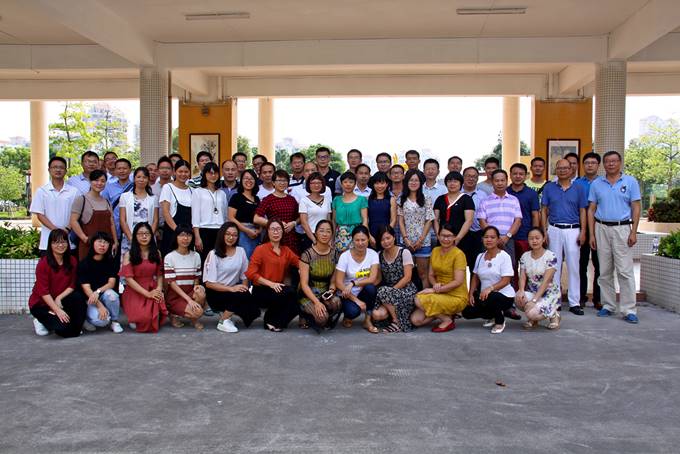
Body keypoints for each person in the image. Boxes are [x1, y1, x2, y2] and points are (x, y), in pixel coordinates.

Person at [588, 150, 641, 324]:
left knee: (625, 271)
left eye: (614, 161)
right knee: (604, 271)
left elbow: (636, 207)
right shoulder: (597, 183)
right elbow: (591, 209)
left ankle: (628, 309)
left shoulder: (630, 181)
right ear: (603, 164)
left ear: (620, 162)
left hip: (622, 228)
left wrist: (634, 231)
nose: (611, 164)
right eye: (608, 161)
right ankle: (608, 305)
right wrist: (592, 234)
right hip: (601, 227)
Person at [541, 158, 588, 316]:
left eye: (565, 168)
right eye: (559, 168)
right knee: (554, 267)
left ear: (571, 170)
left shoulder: (579, 187)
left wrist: (583, 231)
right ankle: (555, 300)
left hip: (573, 230)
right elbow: (544, 210)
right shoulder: (549, 187)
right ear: (556, 170)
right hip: (554, 229)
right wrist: (544, 231)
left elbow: (583, 210)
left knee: (574, 266)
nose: (562, 171)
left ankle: (574, 302)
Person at [29, 229, 87, 338]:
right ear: (50, 244)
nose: (60, 245)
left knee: (78, 298)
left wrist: (59, 298)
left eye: (63, 242)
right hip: (42, 304)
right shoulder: (43, 263)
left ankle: (65, 321)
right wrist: (57, 310)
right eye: (56, 242)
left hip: (60, 300)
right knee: (64, 330)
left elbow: (72, 285)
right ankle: (40, 320)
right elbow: (43, 292)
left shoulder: (72, 260)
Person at [410, 224, 469, 332]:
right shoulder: (435, 251)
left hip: (456, 296)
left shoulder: (459, 254)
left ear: (455, 237)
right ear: (438, 236)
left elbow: (458, 281)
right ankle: (446, 314)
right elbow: (431, 275)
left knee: (418, 299)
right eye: (443, 235)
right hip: (439, 292)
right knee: (416, 320)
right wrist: (435, 285)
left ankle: (447, 320)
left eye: (449, 236)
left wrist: (435, 290)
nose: (445, 239)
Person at [203, 222, 260, 333]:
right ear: (222, 235)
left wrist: (244, 292)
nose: (231, 237)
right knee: (241, 297)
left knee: (254, 312)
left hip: (233, 291)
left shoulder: (241, 251)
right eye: (228, 234)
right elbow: (209, 284)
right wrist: (232, 289)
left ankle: (227, 314)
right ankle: (223, 321)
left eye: (234, 235)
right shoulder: (213, 254)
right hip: (216, 292)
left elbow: (244, 275)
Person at [245, 220, 300, 332]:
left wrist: (302, 269)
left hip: (277, 289)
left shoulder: (286, 250)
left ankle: (273, 321)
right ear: (268, 232)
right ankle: (272, 320)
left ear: (282, 232)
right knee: (287, 293)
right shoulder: (260, 249)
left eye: (278, 229)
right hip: (261, 289)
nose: (276, 232)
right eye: (273, 229)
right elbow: (250, 273)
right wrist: (271, 284)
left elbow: (300, 262)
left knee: (297, 299)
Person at [462, 226, 517, 334]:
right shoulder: (480, 256)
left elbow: (506, 280)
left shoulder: (504, 256)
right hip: (485, 296)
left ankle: (500, 321)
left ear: (498, 239)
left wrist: (490, 288)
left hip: (504, 296)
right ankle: (493, 315)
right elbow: (475, 277)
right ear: (482, 239)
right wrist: (471, 294)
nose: (489, 240)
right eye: (486, 237)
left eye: (492, 237)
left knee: (492, 297)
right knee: (467, 312)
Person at [120, 222, 167, 333]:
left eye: (147, 233)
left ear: (151, 235)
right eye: (140, 234)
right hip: (134, 290)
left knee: (152, 318)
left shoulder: (157, 253)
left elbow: (160, 274)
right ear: (135, 236)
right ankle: (134, 316)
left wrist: (159, 289)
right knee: (144, 319)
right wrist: (147, 294)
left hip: (152, 287)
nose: (144, 236)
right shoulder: (129, 255)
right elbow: (129, 279)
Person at [298, 220, 343, 331]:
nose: (325, 234)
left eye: (328, 231)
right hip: (308, 295)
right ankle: (304, 315)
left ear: (332, 234)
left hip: (324, 293)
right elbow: (304, 284)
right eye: (321, 231)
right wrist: (317, 302)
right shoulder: (307, 255)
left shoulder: (335, 254)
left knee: (337, 303)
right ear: (316, 233)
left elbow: (333, 281)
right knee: (321, 319)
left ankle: (324, 313)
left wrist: (331, 292)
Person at [372, 226, 418, 332]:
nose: (386, 242)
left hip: (406, 290)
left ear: (394, 237)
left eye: (388, 238)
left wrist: (390, 291)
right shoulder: (379, 255)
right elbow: (379, 278)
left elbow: (407, 277)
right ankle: (397, 315)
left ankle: (396, 322)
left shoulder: (404, 252)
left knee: (382, 291)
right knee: (377, 314)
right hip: (387, 292)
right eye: (382, 240)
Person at [335, 226, 380, 333]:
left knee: (371, 288)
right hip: (347, 294)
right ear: (352, 240)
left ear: (368, 239)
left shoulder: (373, 254)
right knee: (353, 312)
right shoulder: (345, 256)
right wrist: (357, 301)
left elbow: (373, 278)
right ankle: (348, 316)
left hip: (363, 290)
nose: (360, 243)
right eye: (357, 240)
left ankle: (367, 320)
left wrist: (353, 283)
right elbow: (338, 282)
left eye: (363, 240)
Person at [30, 156, 79, 254]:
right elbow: (40, 214)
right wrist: (56, 231)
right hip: (47, 241)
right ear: (49, 170)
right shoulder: (42, 191)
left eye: (61, 167)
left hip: (68, 240)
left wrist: (67, 229)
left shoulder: (74, 191)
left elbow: (77, 213)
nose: (58, 170)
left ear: (66, 171)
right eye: (55, 167)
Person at [515, 228, 561, 330]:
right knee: (518, 298)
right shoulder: (525, 256)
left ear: (543, 239)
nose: (534, 241)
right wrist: (521, 290)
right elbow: (522, 276)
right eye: (531, 238)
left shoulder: (550, 256)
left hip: (548, 293)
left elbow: (546, 281)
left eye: (537, 238)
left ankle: (554, 314)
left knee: (532, 313)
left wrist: (534, 300)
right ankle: (534, 318)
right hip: (532, 291)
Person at [78, 231, 124, 334]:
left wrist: (98, 291)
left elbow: (111, 283)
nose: (102, 245)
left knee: (112, 295)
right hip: (89, 298)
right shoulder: (84, 263)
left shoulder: (111, 261)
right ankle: (86, 318)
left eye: (105, 242)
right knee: (102, 321)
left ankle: (114, 321)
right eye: (99, 241)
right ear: (93, 243)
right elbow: (86, 288)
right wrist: (99, 305)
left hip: (103, 295)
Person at [163, 225, 206, 330]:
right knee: (198, 312)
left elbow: (196, 278)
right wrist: (189, 300)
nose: (185, 238)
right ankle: (173, 313)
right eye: (182, 235)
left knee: (200, 291)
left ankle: (194, 319)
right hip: (175, 296)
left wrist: (196, 288)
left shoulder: (196, 256)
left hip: (189, 293)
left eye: (189, 235)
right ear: (176, 237)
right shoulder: (169, 257)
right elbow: (172, 283)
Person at [70, 169, 118, 261]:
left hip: (105, 246)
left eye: (103, 181)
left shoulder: (107, 201)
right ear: (90, 181)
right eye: (96, 180)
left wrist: (115, 241)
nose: (99, 183)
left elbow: (111, 223)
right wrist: (85, 239)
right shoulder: (81, 199)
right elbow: (73, 221)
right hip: (88, 245)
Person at [398, 169, 435, 288]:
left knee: (423, 274)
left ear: (420, 183)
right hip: (406, 242)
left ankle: (425, 298)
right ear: (406, 182)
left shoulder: (426, 198)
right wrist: (405, 239)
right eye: (411, 180)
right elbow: (400, 221)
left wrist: (421, 240)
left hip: (423, 242)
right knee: (406, 274)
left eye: (416, 180)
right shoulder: (401, 199)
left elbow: (429, 220)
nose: (413, 183)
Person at [478, 169, 522, 265]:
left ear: (507, 181)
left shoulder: (514, 200)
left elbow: (518, 221)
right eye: (497, 181)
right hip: (489, 241)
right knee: (488, 267)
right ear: (492, 182)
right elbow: (482, 221)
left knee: (509, 267)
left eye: (502, 180)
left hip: (508, 239)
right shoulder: (485, 201)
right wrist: (493, 238)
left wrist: (507, 236)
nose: (500, 183)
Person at [433, 171, 475, 270]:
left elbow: (469, 220)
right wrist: (439, 236)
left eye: (455, 181)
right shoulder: (440, 199)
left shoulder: (466, 199)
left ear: (461, 183)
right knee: (442, 266)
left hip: (461, 239)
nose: (452, 184)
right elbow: (435, 219)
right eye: (449, 181)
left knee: (459, 266)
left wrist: (458, 238)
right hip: (443, 239)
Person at [576, 152, 602, 309]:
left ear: (598, 165)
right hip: (581, 228)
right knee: (581, 264)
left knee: (600, 265)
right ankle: (581, 296)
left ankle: (598, 298)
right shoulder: (577, 183)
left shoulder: (604, 183)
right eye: (587, 163)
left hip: (600, 227)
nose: (590, 165)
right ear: (583, 165)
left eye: (593, 162)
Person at [507, 163, 541, 281]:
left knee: (527, 266)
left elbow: (535, 215)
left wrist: (534, 235)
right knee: (510, 266)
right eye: (515, 174)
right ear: (510, 175)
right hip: (508, 236)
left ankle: (525, 290)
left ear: (526, 176)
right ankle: (513, 289)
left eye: (521, 174)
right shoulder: (505, 192)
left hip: (525, 235)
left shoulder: (531, 193)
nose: (518, 176)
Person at [254, 169, 300, 254]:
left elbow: (299, 217)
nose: (282, 183)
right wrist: (275, 223)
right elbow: (256, 218)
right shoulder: (268, 199)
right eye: (279, 180)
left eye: (285, 180)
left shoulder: (291, 199)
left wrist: (294, 223)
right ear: (273, 183)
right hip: (274, 236)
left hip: (290, 237)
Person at [191, 162, 228, 264]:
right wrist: (197, 237)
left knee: (220, 260)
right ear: (204, 174)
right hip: (204, 230)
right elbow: (195, 216)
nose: (213, 175)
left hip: (220, 230)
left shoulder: (222, 193)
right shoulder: (198, 192)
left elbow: (225, 215)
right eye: (210, 173)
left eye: (215, 173)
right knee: (205, 261)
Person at [119, 167, 158, 256]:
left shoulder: (153, 198)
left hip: (148, 238)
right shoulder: (125, 196)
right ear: (134, 178)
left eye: (144, 177)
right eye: (139, 177)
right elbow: (122, 220)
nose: (141, 179)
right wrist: (131, 238)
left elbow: (155, 220)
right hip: (129, 237)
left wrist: (149, 237)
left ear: (148, 179)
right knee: (129, 261)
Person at [159, 159, 193, 255]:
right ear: (174, 172)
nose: (183, 174)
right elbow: (166, 212)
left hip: (188, 235)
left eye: (186, 171)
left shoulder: (192, 190)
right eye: (180, 171)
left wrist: (187, 234)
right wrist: (178, 231)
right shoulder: (168, 187)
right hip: (172, 232)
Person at [332, 171, 369, 253]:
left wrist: (365, 235)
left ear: (355, 184)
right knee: (341, 258)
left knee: (357, 257)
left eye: (351, 182)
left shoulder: (361, 199)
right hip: (340, 235)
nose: (348, 184)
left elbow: (365, 220)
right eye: (345, 182)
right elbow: (334, 220)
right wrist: (332, 237)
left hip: (357, 234)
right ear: (341, 184)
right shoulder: (336, 200)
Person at [228, 169, 261, 257]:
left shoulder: (257, 199)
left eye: (251, 178)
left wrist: (259, 230)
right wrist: (247, 230)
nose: (248, 181)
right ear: (241, 180)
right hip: (242, 232)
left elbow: (260, 217)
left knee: (255, 259)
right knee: (245, 259)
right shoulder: (236, 197)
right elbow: (231, 217)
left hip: (256, 233)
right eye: (246, 178)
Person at [101, 158, 134, 241]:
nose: (122, 171)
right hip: (114, 228)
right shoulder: (108, 188)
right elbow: (104, 207)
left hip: (131, 228)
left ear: (130, 170)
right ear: (115, 171)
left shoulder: (136, 187)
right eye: (119, 168)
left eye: (124, 168)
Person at [298, 172, 332, 252]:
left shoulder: (327, 200)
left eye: (319, 183)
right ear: (308, 185)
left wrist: (329, 238)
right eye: (313, 183)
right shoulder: (304, 200)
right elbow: (304, 222)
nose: (316, 185)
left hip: (324, 236)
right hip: (309, 236)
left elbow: (328, 220)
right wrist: (314, 240)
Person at [462, 166, 486, 269]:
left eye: (474, 177)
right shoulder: (457, 193)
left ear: (477, 179)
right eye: (468, 176)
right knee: (459, 265)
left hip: (477, 233)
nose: (471, 179)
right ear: (463, 177)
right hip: (460, 234)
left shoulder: (483, 195)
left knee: (476, 266)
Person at [367, 172, 397, 249]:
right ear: (373, 184)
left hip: (387, 236)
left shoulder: (392, 199)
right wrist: (369, 236)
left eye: (382, 183)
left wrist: (386, 235)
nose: (379, 186)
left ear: (387, 184)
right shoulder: (367, 199)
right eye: (377, 183)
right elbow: (365, 220)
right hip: (371, 235)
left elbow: (393, 220)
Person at [423, 158, 447, 246]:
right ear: (424, 171)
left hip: (439, 231)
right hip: (422, 232)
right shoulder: (418, 189)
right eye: (428, 169)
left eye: (433, 169)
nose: (430, 171)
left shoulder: (444, 189)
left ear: (438, 171)